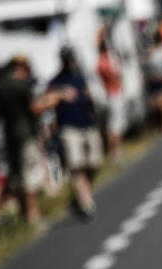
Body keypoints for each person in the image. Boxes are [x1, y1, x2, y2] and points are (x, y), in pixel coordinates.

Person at [0, 54, 64, 226]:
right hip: (25, 135)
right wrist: (50, 102)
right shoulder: (22, 84)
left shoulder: (2, 85)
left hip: (10, 136)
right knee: (29, 176)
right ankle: (33, 216)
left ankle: (24, 214)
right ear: (22, 66)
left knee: (18, 176)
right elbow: (34, 109)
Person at [49, 46, 103, 218]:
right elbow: (46, 103)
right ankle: (85, 202)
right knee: (76, 165)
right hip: (69, 127)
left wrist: (91, 97)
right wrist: (59, 96)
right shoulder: (55, 82)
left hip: (87, 124)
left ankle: (84, 192)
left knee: (93, 163)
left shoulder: (81, 78)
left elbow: (93, 99)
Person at [97, 34, 125, 163]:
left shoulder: (98, 62)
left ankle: (111, 151)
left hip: (107, 95)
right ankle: (116, 151)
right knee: (116, 125)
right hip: (115, 93)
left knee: (110, 125)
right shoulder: (110, 60)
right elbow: (117, 75)